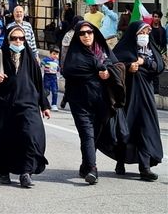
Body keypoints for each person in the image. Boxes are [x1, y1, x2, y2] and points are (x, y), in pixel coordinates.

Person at [0, 25, 51, 188]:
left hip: (27, 104)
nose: (18, 41)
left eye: (21, 38)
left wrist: (44, 105)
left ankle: (26, 172)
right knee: (2, 139)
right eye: (14, 38)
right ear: (8, 40)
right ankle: (3, 170)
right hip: (3, 105)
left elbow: (38, 82)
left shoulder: (30, 58)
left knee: (31, 136)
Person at [62, 21, 125, 185]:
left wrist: (108, 71)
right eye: (82, 33)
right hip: (80, 103)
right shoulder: (75, 53)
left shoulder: (102, 49)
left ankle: (85, 165)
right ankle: (92, 169)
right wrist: (98, 67)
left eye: (89, 32)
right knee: (87, 135)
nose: (86, 36)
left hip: (102, 101)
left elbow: (116, 64)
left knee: (94, 136)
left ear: (94, 33)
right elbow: (69, 69)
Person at [110, 21, 164, 181]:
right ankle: (120, 160)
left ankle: (144, 168)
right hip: (128, 97)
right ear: (134, 34)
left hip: (146, 97)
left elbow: (158, 66)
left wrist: (144, 62)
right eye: (142, 33)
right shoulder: (124, 49)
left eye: (147, 33)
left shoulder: (150, 50)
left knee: (146, 128)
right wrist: (127, 67)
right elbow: (113, 66)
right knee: (126, 128)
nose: (145, 36)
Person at [41, 46, 61, 111]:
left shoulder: (57, 62)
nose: (55, 56)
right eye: (54, 54)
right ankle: (43, 103)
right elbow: (41, 65)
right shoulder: (46, 60)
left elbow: (58, 70)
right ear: (50, 53)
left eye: (57, 54)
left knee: (55, 91)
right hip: (47, 77)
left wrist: (58, 75)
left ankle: (54, 104)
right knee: (46, 91)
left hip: (54, 77)